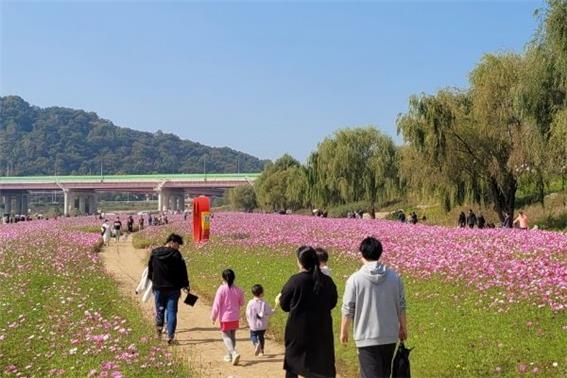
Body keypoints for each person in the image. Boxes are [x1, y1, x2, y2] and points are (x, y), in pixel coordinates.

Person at [340, 236, 407, 378]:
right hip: (389, 335)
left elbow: (348, 308)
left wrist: (344, 330)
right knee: (384, 373)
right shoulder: (395, 277)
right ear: (380, 253)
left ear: (362, 254)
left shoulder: (355, 280)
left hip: (366, 337)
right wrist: (403, 327)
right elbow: (401, 305)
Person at [278, 245, 338, 378]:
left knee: (293, 364)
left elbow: (284, 305)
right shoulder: (327, 281)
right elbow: (332, 302)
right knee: (320, 366)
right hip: (321, 329)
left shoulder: (295, 281)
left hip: (298, 331)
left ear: (300, 262)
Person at [147, 233, 190, 345]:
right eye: (178, 245)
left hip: (159, 288)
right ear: (172, 242)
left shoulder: (154, 253)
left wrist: (153, 281)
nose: (178, 247)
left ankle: (159, 332)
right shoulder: (176, 255)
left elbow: (150, 269)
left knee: (159, 310)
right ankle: (170, 336)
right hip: (173, 289)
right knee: (172, 312)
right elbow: (183, 271)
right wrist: (185, 284)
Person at [211, 269, 245, 365]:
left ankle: (233, 353)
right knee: (232, 336)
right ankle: (230, 356)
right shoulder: (238, 289)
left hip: (225, 318)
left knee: (226, 336)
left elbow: (216, 304)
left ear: (223, 278)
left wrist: (213, 317)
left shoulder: (221, 289)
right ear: (234, 278)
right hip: (235, 317)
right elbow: (242, 303)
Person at [246, 284, 275, 357]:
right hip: (262, 325)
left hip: (253, 324)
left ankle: (256, 344)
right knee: (261, 336)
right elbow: (268, 311)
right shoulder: (264, 303)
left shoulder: (250, 303)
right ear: (262, 293)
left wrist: (249, 321)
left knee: (253, 335)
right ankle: (261, 351)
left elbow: (248, 313)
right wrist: (273, 311)